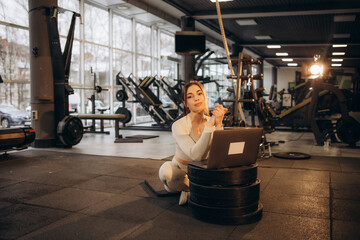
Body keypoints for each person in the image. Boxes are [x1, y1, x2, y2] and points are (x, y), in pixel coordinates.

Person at [158, 80, 227, 205]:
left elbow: (219, 150)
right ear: (186, 103)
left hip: (203, 170)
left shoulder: (210, 121)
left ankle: (190, 189)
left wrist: (219, 123)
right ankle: (189, 188)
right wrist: (210, 125)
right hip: (180, 169)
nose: (196, 98)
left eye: (199, 94)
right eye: (190, 96)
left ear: (205, 96)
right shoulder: (178, 125)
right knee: (166, 173)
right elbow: (195, 155)